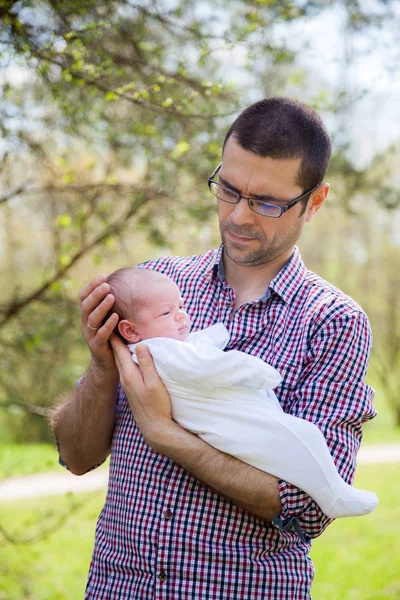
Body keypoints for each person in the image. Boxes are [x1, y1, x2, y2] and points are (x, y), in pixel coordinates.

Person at [50, 97, 377, 600]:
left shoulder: (333, 322)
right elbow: (74, 455)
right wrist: (101, 368)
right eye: (228, 189)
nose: (239, 215)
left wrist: (166, 433)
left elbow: (310, 509)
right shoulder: (153, 289)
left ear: (314, 202)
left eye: (266, 202)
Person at [108, 266, 377, 520]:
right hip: (222, 420)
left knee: (290, 446)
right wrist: (256, 371)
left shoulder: (151, 349)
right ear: (130, 330)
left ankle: (331, 490)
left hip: (217, 416)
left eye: (181, 306)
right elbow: (208, 366)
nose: (180, 315)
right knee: (303, 437)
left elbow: (198, 346)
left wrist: (216, 334)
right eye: (165, 313)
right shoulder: (159, 350)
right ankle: (331, 493)